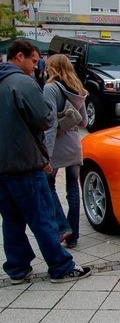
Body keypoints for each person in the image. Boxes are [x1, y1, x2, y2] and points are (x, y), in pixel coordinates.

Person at [0, 40, 91, 284]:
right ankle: (61, 266)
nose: (37, 65)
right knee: (42, 217)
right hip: (25, 163)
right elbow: (44, 118)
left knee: (11, 221)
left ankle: (17, 268)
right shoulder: (22, 83)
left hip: (3, 167)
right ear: (19, 56)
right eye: (34, 60)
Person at [43, 54, 89, 248]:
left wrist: (47, 153)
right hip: (74, 144)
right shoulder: (78, 89)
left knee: (48, 186)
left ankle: (63, 227)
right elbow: (84, 122)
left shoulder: (50, 88)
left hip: (57, 146)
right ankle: (74, 236)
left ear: (52, 67)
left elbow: (50, 124)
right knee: (73, 189)